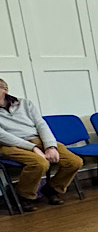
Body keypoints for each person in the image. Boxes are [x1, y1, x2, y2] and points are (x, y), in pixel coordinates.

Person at [0, 78, 82, 211]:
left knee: (74, 162)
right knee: (40, 163)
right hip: (10, 145)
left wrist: (50, 146)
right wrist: (32, 148)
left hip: (37, 139)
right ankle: (24, 196)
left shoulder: (25, 103)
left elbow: (41, 124)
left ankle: (52, 189)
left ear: (5, 90)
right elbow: (3, 136)